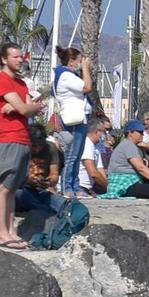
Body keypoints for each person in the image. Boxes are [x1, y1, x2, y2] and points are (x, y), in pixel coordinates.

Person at [0, 46, 43, 249]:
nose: (20, 60)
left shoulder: (20, 82)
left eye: (22, 56)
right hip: (8, 140)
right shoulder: (1, 80)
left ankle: (11, 231)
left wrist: (22, 107)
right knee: (2, 187)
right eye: (16, 56)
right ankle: (1, 233)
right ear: (4, 59)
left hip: (23, 139)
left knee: (11, 189)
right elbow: (26, 107)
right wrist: (23, 107)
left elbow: (29, 108)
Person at [106, 120, 149, 214]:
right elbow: (140, 168)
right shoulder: (128, 145)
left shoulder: (130, 145)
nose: (142, 135)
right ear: (130, 132)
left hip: (129, 180)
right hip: (123, 185)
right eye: (140, 132)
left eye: (143, 132)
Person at [53, 47, 92, 198]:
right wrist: (86, 68)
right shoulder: (66, 76)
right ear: (71, 61)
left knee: (78, 153)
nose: (81, 63)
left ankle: (75, 186)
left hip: (80, 118)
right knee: (72, 154)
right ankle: (66, 187)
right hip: (73, 118)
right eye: (79, 60)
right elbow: (87, 87)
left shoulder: (70, 75)